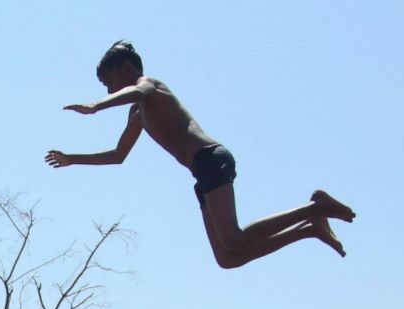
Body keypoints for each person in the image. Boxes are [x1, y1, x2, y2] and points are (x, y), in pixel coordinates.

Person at [46, 40, 353, 269]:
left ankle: (315, 207)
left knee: (233, 238)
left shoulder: (148, 85)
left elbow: (138, 92)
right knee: (227, 258)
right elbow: (118, 154)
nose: (109, 88)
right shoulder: (137, 114)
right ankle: (310, 228)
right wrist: (73, 158)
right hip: (200, 171)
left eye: (109, 82)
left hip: (210, 157)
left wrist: (96, 105)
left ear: (126, 68)